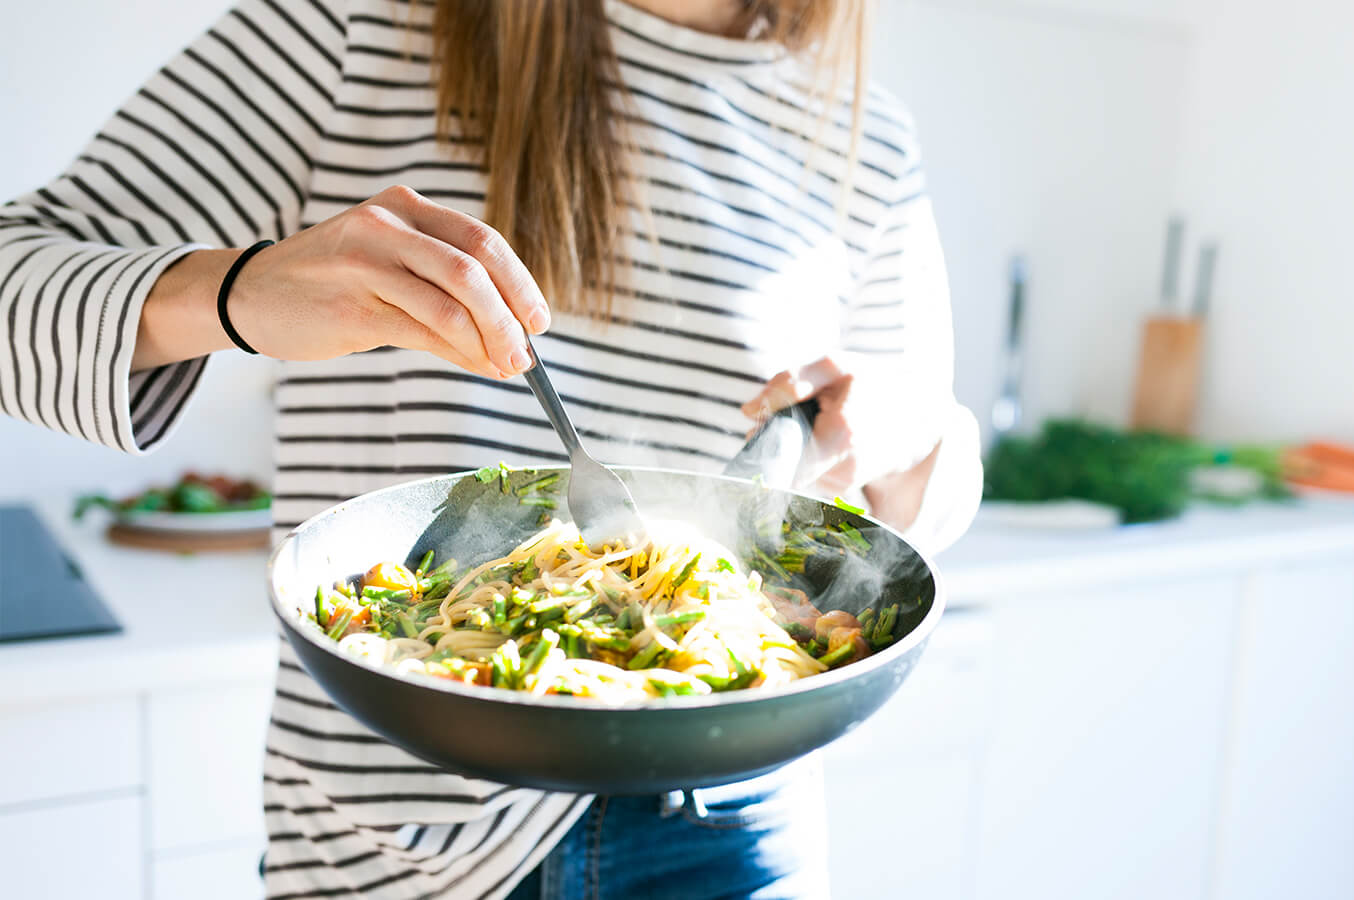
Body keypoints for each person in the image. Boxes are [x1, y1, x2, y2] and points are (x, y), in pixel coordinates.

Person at [0, 0, 981, 896]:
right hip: (399, 838)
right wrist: (235, 291)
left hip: (729, 824)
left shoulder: (865, 140)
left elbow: (913, 513)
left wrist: (916, 435)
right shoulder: (351, 32)